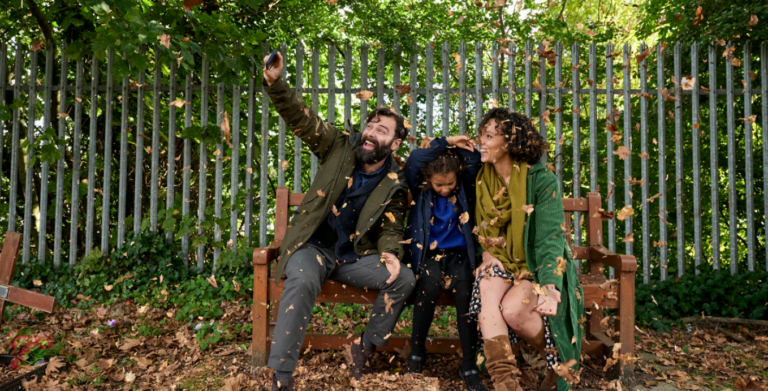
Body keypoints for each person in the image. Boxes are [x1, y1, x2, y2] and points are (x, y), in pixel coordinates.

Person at [261, 51, 416, 391]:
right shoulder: (338, 147)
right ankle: (281, 377)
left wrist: (391, 253)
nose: (371, 132)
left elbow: (392, 226)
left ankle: (365, 348)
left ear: (395, 142)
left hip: (353, 256)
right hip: (313, 246)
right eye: (370, 126)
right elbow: (303, 119)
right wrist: (276, 84)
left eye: (382, 130)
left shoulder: (397, 180)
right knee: (301, 282)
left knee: (402, 278)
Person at [469, 108, 585, 391]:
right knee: (486, 288)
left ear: (508, 142)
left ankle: (558, 361)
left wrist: (550, 286)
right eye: (480, 134)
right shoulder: (480, 174)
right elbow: (418, 165)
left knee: (513, 311)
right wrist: (486, 252)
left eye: (488, 136)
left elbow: (549, 238)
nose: (480, 141)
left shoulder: (540, 179)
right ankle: (506, 384)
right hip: (498, 259)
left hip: (534, 265)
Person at [402, 135, 486, 391]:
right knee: (427, 286)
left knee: (464, 291)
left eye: (450, 183)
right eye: (439, 184)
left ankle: (469, 364)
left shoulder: (465, 187)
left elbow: (473, 160)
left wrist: (456, 151)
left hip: (461, 254)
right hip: (429, 255)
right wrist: (445, 141)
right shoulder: (420, 187)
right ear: (429, 179)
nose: (445, 188)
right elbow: (416, 159)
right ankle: (417, 353)